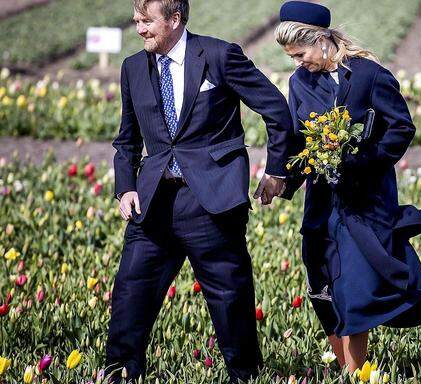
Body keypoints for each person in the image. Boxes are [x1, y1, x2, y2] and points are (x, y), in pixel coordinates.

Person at [276, 1, 421, 372]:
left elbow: (401, 128)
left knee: (355, 290)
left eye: (300, 54)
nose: (298, 63)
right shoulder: (299, 82)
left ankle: (354, 373)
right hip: (322, 202)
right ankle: (344, 364)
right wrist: (282, 181)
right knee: (323, 285)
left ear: (320, 40)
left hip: (364, 201)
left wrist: (361, 160)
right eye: (291, 57)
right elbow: (298, 141)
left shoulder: (368, 75)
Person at [106, 0, 292, 382]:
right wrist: (125, 188)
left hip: (212, 203)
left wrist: (276, 170)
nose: (139, 29)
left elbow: (275, 108)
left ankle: (245, 375)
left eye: (147, 21)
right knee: (130, 295)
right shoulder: (132, 68)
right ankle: (119, 374)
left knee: (230, 302)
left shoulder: (220, 55)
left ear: (175, 20)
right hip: (153, 202)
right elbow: (126, 140)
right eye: (136, 21)